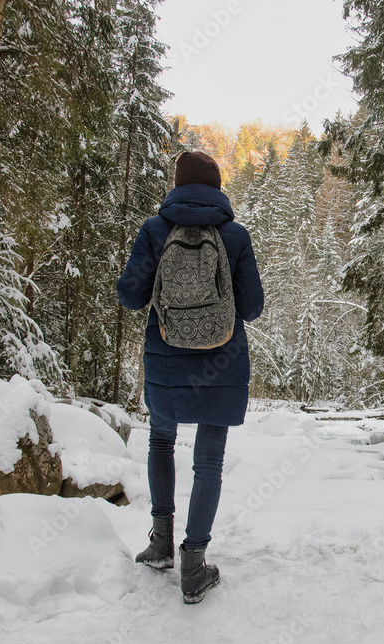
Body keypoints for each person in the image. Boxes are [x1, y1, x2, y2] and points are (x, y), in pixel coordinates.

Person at [117, 151, 263, 604]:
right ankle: (194, 567)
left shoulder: (155, 229)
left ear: (177, 184)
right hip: (221, 364)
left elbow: (130, 296)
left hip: (165, 358)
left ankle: (161, 544)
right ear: (217, 187)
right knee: (209, 461)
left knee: (161, 441)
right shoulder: (235, 235)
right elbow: (253, 307)